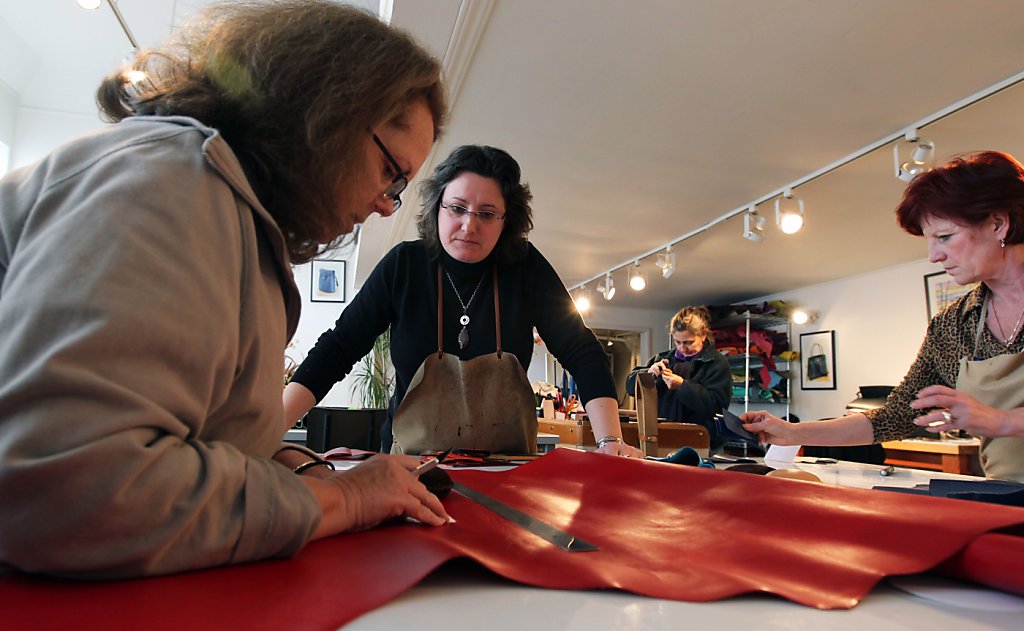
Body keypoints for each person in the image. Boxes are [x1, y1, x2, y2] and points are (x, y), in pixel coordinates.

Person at [0, 0, 451, 579]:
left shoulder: (232, 218)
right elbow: (67, 491)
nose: (387, 205)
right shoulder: (168, 188)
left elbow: (218, 434)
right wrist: (344, 498)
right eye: (391, 173)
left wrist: (300, 467)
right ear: (327, 114)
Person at [284, 145, 643, 458]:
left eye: (486, 214)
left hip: (507, 469)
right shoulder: (404, 266)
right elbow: (339, 347)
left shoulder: (526, 267)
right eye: (457, 208)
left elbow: (581, 350)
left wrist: (610, 440)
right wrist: (269, 431)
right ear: (437, 208)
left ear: (506, 221)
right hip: (410, 468)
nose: (469, 226)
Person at [742, 151, 1024, 482]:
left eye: (945, 237)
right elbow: (895, 416)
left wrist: (1003, 421)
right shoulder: (955, 325)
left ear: (998, 223)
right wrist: (791, 432)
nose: (934, 255)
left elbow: (999, 420)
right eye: (930, 241)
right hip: (1008, 496)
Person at [625, 306, 732, 443]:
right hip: (662, 436)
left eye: (689, 342)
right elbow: (630, 388)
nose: (682, 348)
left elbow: (716, 408)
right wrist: (647, 374)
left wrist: (682, 386)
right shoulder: (661, 358)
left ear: (703, 336)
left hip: (701, 440)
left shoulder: (716, 363)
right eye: (678, 342)